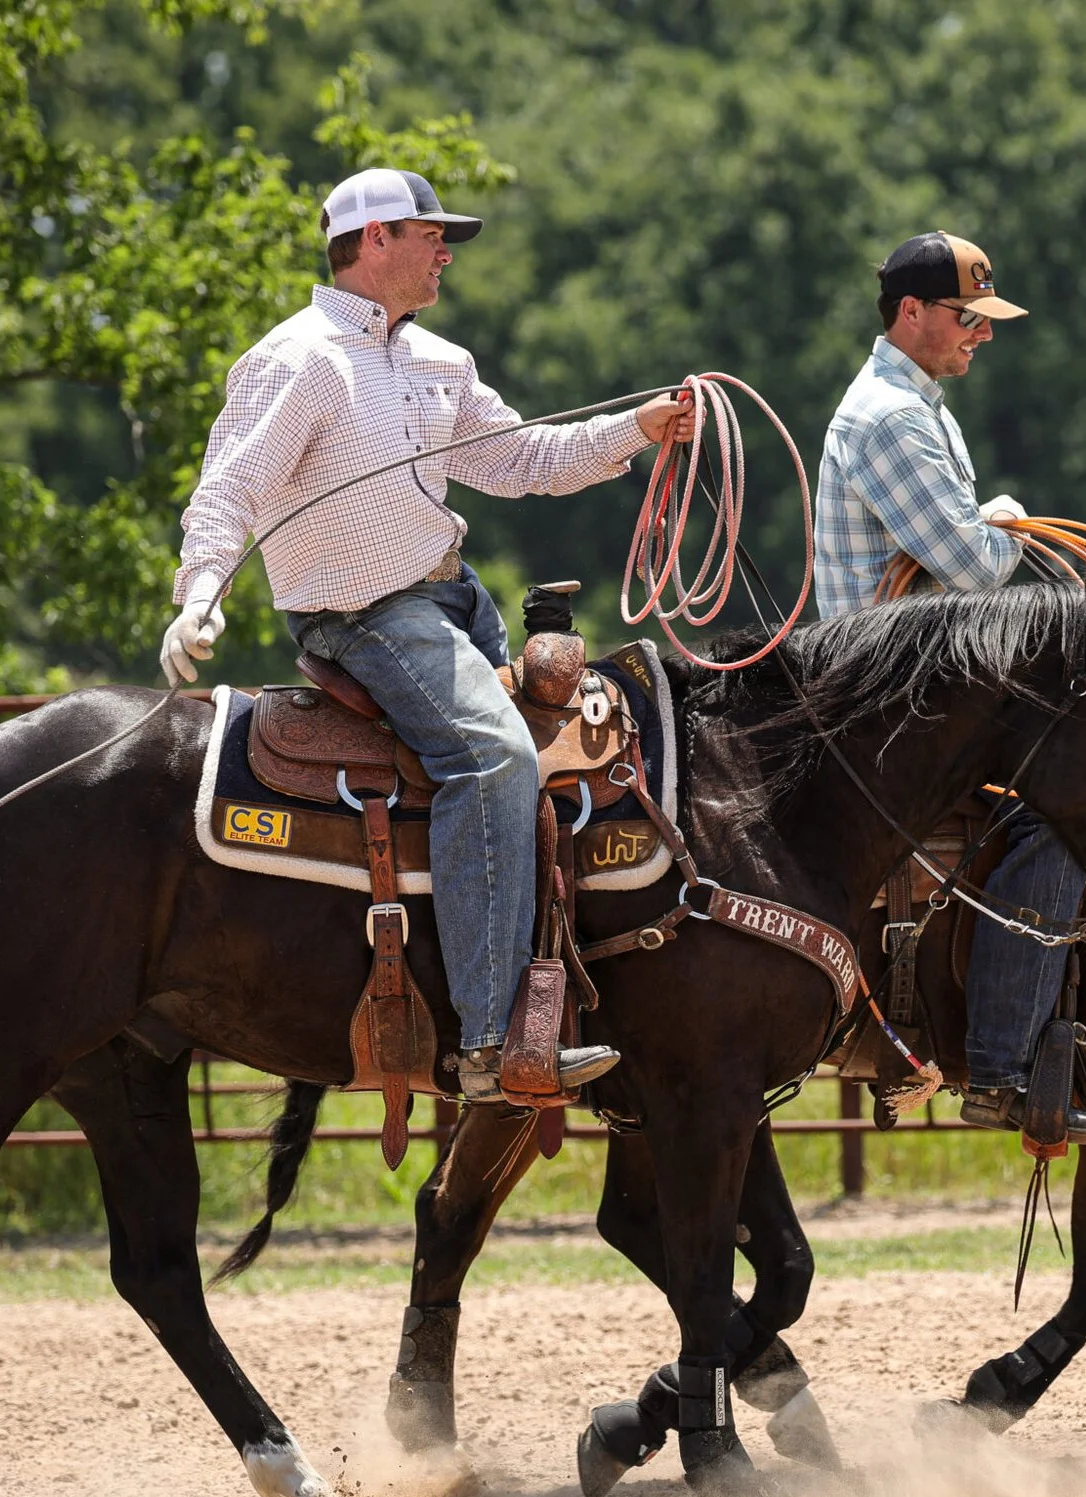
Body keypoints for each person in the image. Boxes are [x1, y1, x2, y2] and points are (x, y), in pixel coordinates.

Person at [160, 167, 696, 1105]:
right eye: (431, 234)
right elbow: (229, 489)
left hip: (456, 601)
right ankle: (490, 1044)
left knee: (597, 745)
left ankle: (584, 991)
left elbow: (523, 458)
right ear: (374, 242)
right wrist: (201, 586)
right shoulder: (298, 361)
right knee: (491, 760)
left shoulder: (439, 361)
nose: (447, 251)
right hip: (364, 613)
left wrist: (636, 429)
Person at [811, 231, 1086, 1145]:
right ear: (910, 313)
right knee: (1056, 815)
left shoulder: (915, 404)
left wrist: (988, 531)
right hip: (890, 696)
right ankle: (1001, 1064)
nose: (980, 334)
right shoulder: (891, 420)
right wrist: (998, 522)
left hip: (912, 678)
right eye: (966, 317)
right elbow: (973, 569)